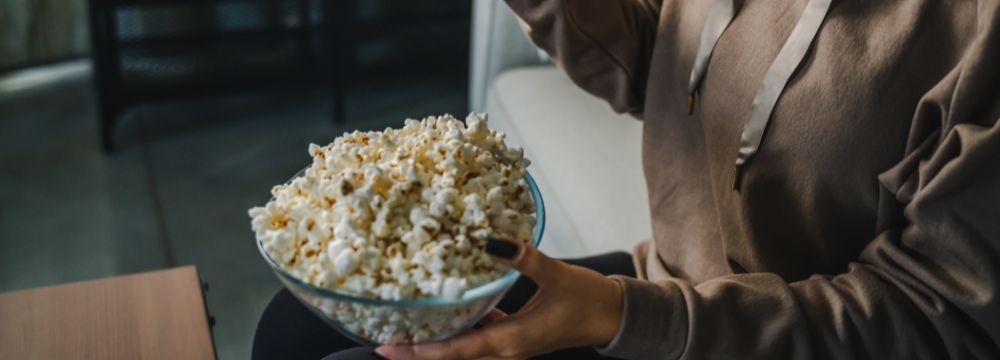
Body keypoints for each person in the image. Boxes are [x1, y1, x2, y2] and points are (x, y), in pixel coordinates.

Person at [258, 1, 1000, 359]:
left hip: (753, 340)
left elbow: (944, 321)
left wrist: (618, 316)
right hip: (664, 281)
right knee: (287, 328)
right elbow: (659, 70)